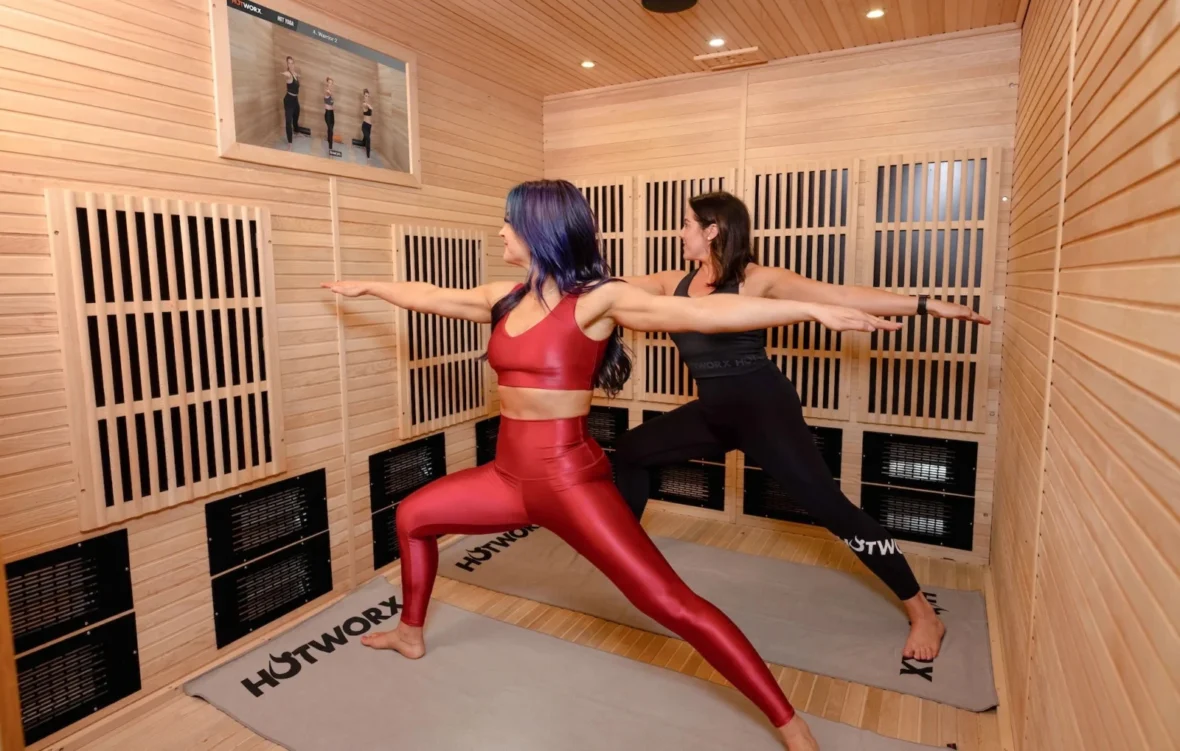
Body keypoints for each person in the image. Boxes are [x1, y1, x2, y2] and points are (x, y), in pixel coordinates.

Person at [323, 180, 902, 750]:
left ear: (539, 227)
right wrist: (369, 286)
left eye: (508, 219)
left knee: (672, 604)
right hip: (506, 479)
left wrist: (806, 309)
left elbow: (704, 315)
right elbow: (430, 295)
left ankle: (789, 722)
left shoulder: (598, 301)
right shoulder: (504, 297)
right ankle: (409, 633)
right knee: (413, 517)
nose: (500, 228)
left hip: (569, 483)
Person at [613, 191, 991, 662]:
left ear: (712, 230)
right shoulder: (675, 282)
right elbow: (611, 287)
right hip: (714, 412)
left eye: (688, 224)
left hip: (766, 413)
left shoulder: (758, 280)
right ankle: (623, 556)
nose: (681, 232)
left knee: (834, 510)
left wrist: (926, 305)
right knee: (630, 450)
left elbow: (839, 296)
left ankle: (924, 614)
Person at [282, 56, 310, 146]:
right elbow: (286, 74)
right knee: (288, 121)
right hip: (289, 100)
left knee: (296, 115)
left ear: (294, 64)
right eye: (288, 63)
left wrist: (299, 75)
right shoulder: (288, 74)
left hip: (295, 99)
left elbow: (297, 76)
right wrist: (284, 74)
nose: (290, 64)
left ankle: (296, 132)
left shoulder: (295, 74)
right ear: (287, 64)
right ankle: (290, 143)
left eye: (292, 63)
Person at [351, 88, 373, 159]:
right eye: (366, 96)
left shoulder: (368, 104)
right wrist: (368, 104)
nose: (367, 97)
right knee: (368, 139)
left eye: (368, 96)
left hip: (369, 126)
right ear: (364, 96)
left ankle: (356, 142)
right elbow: (371, 108)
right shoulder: (364, 104)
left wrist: (369, 105)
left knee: (365, 141)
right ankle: (368, 157)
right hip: (365, 126)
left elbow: (371, 108)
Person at [323, 77, 335, 154]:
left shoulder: (330, 91)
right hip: (327, 114)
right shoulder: (327, 91)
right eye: (329, 83)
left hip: (332, 114)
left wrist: (333, 107)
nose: (330, 84)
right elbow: (329, 94)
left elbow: (331, 102)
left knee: (330, 129)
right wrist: (331, 94)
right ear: (327, 83)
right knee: (330, 130)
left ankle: (328, 141)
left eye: (331, 83)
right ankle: (330, 148)